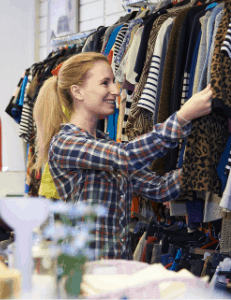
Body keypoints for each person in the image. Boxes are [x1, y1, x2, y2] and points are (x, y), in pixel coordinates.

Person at [33, 52, 212, 260]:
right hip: (82, 274)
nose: (116, 91)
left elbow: (160, 188)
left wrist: (207, 159)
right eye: (105, 83)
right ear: (77, 92)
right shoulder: (65, 143)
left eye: (113, 82)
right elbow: (127, 156)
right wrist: (182, 117)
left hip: (114, 270)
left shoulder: (105, 146)